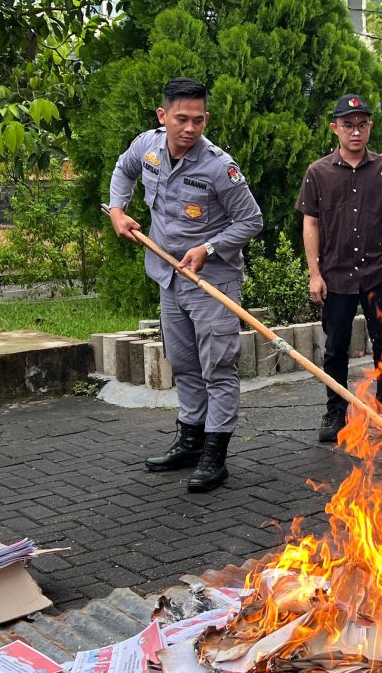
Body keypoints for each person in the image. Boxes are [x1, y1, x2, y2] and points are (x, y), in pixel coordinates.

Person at [107, 78, 264, 493]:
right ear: (163, 116)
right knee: (184, 362)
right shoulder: (148, 146)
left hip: (212, 280)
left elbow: (251, 221)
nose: (190, 128)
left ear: (205, 119)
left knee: (218, 367)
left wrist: (209, 248)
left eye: (198, 120)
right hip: (168, 276)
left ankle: (216, 453)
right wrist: (118, 211)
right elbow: (123, 171)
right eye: (181, 119)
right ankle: (190, 439)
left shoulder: (219, 166)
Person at [297, 94, 382, 442]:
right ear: (335, 128)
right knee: (335, 347)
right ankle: (335, 411)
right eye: (348, 125)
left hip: (379, 272)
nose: (355, 132)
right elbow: (310, 224)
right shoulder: (318, 172)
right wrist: (315, 274)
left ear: (370, 127)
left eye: (362, 125)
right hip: (337, 275)